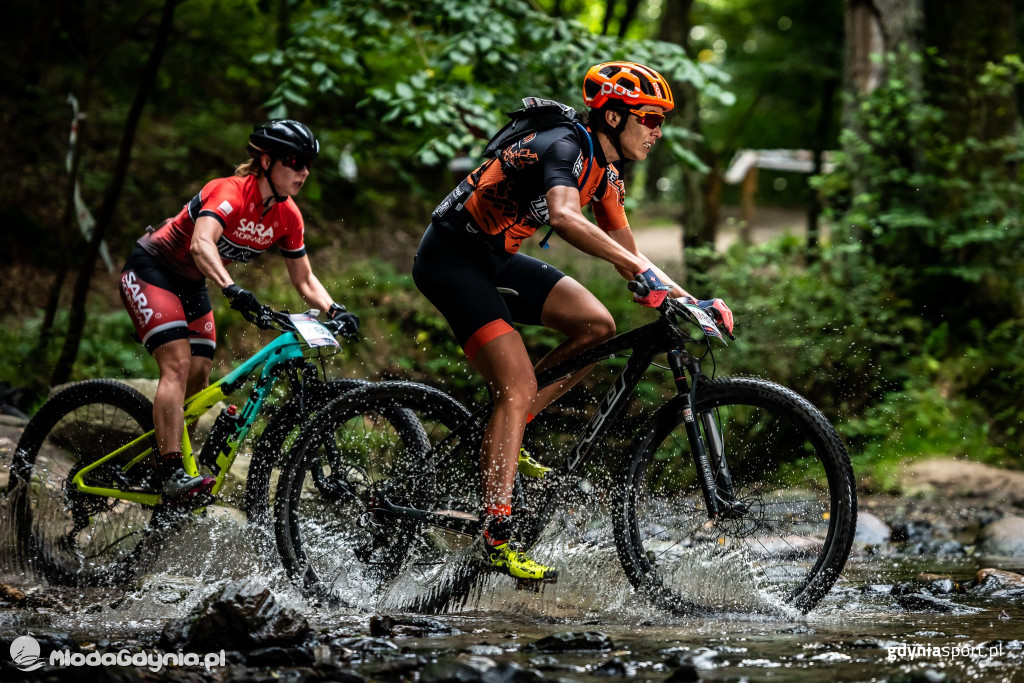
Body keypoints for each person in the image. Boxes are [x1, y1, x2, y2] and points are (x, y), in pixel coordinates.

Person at [412, 62, 734, 582]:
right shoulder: (565, 145)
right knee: (514, 386)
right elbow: (563, 215)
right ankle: (496, 535)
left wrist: (693, 302)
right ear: (612, 115)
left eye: (661, 122)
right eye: (650, 119)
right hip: (451, 259)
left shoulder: (606, 175)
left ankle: (510, 430)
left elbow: (634, 257)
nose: (657, 131)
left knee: (596, 326)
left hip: (494, 256)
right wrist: (636, 271)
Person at [119, 119, 359, 506]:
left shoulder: (288, 216)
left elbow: (304, 278)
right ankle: (169, 473)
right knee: (178, 366)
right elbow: (200, 244)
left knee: (200, 375)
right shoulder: (229, 191)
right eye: (295, 162)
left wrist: (334, 308)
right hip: (153, 269)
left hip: (192, 284)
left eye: (307, 164)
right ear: (265, 161)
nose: (303, 172)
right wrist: (232, 289)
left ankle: (183, 467)